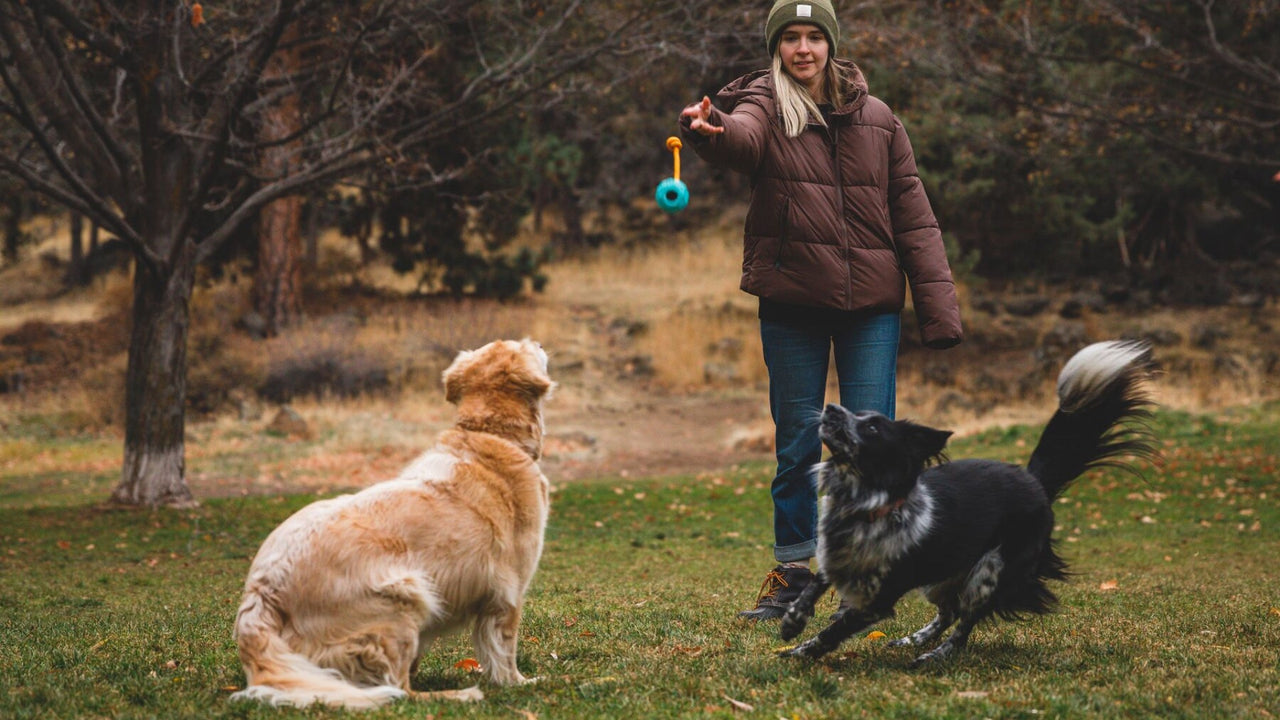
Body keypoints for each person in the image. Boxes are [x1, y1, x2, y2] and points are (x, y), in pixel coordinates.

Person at [679, 0, 962, 620]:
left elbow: (914, 217)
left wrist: (938, 309)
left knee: (875, 444)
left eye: (813, 37)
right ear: (776, 47)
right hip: (793, 305)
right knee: (798, 445)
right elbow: (742, 141)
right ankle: (790, 576)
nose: (802, 49)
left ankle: (868, 573)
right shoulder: (764, 105)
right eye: (790, 39)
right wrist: (713, 132)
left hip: (871, 309)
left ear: (831, 44)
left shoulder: (880, 120)